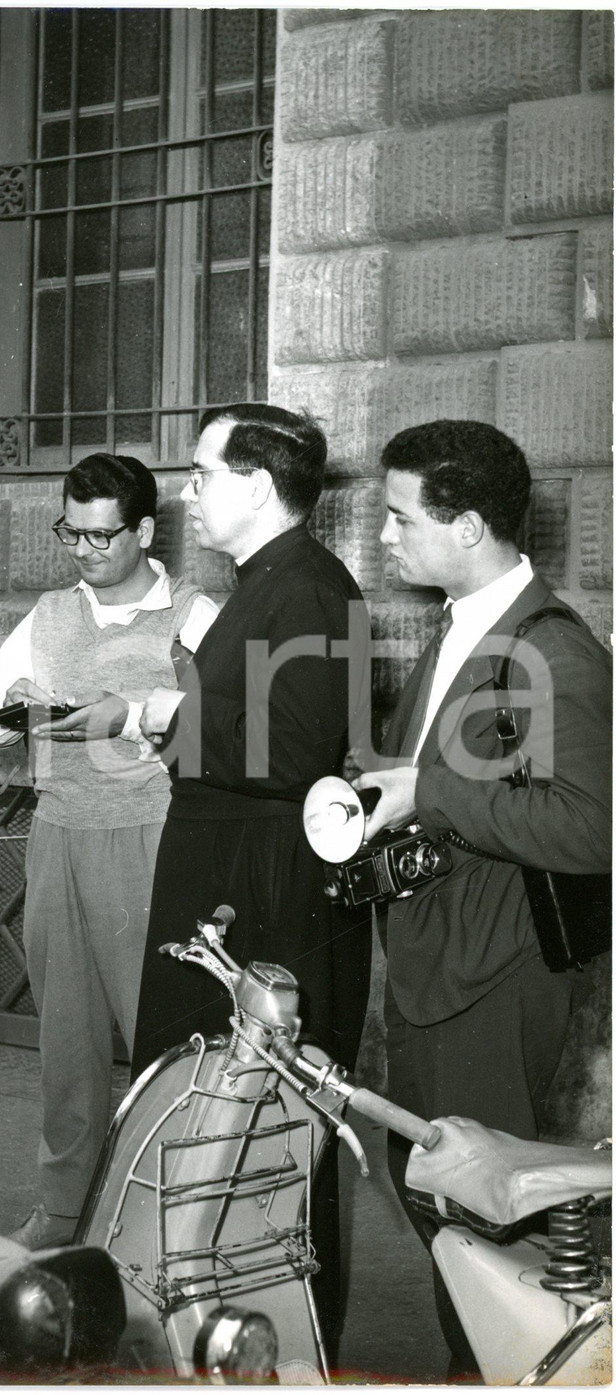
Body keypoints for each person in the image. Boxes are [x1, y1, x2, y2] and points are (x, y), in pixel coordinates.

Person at [353, 419, 612, 1376]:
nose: (385, 535)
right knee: (435, 1195)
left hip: (494, 978)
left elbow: (594, 829)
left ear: (467, 526)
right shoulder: (461, 630)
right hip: (436, 962)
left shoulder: (559, 651)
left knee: (484, 1227)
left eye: (398, 515)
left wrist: (428, 790)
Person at [133, 403, 373, 1353]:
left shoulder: (308, 589)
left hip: (266, 901)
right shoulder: (268, 584)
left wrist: (164, 713)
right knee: (218, 1136)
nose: (189, 491)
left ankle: (286, 1349)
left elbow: (296, 749)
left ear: (261, 485)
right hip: (239, 879)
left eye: (204, 472)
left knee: (269, 1143)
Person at [0, 453, 219, 1248]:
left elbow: (233, 722)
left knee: (163, 1041)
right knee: (65, 1042)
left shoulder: (194, 613)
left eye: (100, 535)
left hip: (153, 839)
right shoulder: (48, 613)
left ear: (145, 530)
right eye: (69, 532)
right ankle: (62, 1208)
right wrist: (7, 707)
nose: (82, 550)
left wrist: (140, 712)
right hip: (59, 836)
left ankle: (167, 1220)